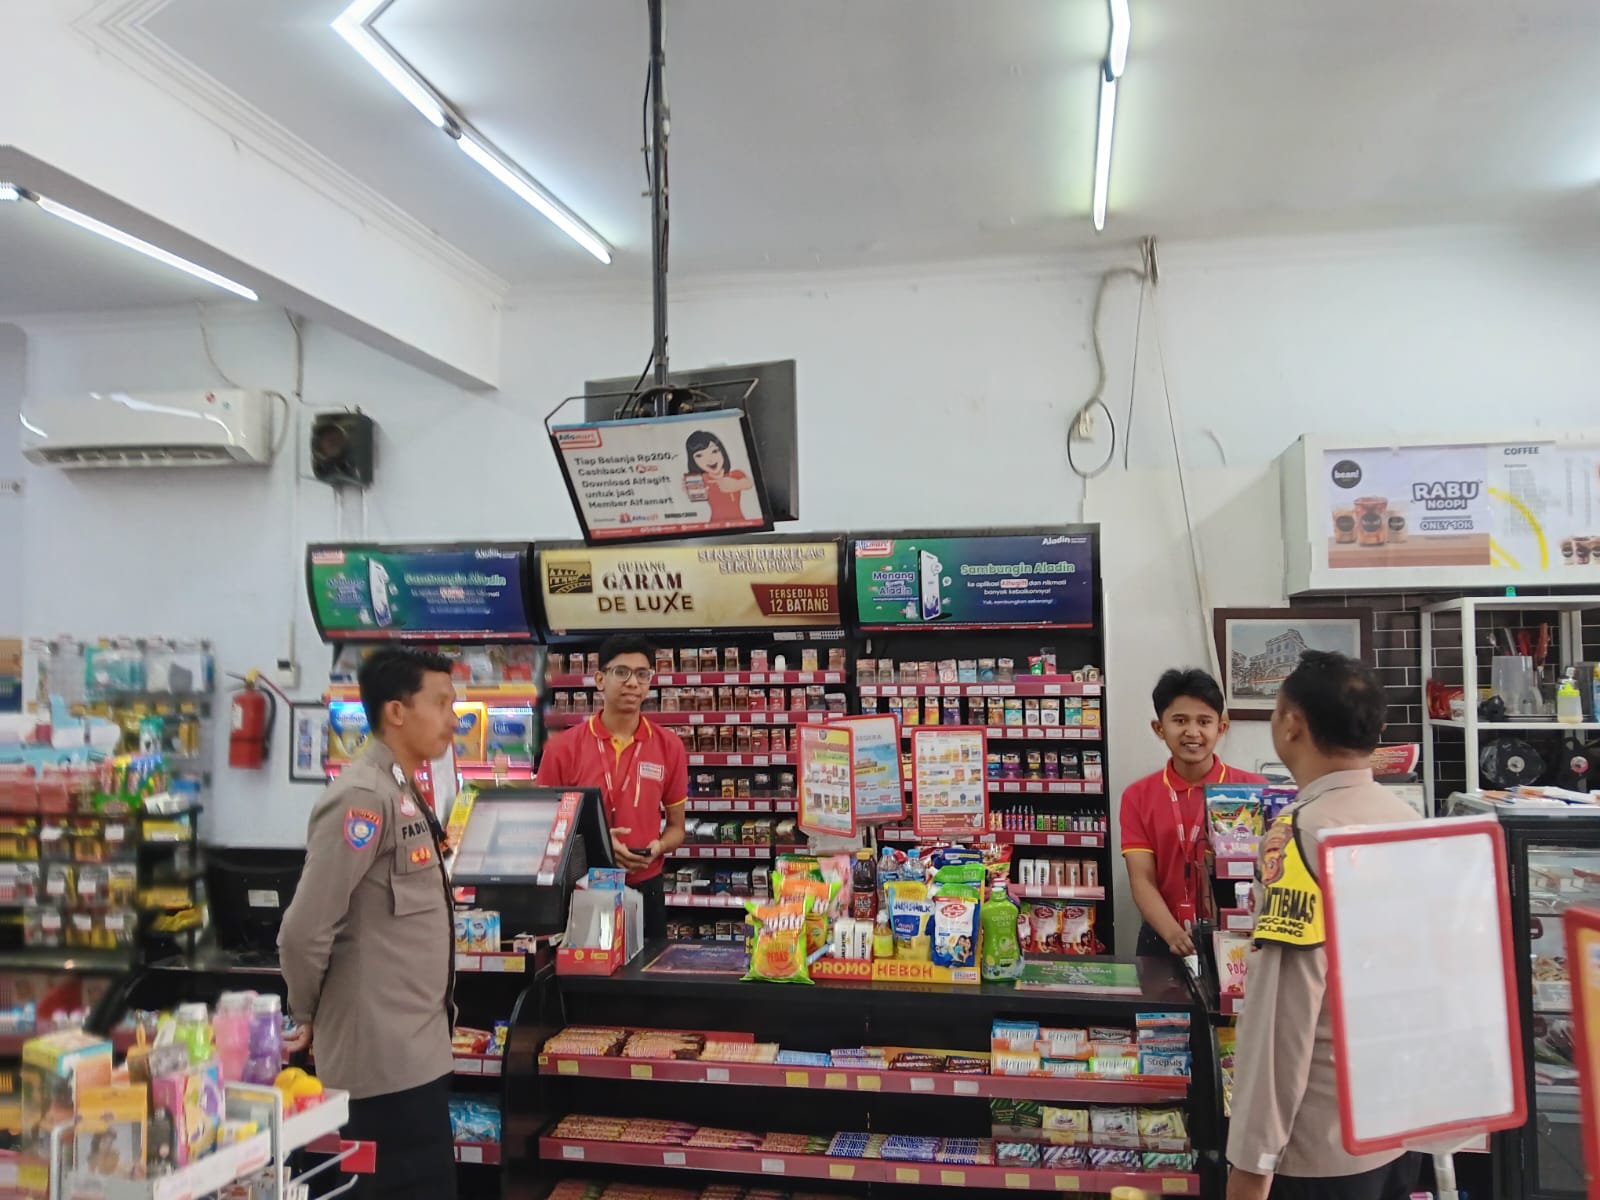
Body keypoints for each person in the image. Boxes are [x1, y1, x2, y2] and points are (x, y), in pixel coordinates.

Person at [1227, 651, 1422, 1200]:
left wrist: (1253, 1161)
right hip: (1397, 1126)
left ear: (1292, 723)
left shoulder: (1301, 838)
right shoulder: (1408, 821)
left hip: (1319, 1146)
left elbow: (1282, 1015)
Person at [279, 647, 457, 1200]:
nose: (455, 719)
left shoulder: (402, 788)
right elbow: (304, 930)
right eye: (442, 703)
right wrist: (305, 1013)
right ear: (397, 711)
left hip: (417, 1053)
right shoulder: (362, 796)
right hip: (379, 1069)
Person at [537, 634, 688, 939]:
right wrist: (601, 845)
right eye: (622, 672)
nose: (632, 683)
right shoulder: (563, 748)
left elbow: (676, 828)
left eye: (642, 674)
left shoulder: (669, 746)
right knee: (584, 971)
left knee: (648, 970)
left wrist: (658, 847)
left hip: (646, 887)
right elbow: (542, 825)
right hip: (581, 888)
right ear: (600, 680)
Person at [1121, 668, 1265, 956]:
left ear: (1221, 728)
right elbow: (1142, 878)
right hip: (1163, 936)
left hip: (1240, 935)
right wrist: (1173, 934)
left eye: (1204, 721)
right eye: (1180, 720)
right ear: (1159, 728)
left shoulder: (1254, 790)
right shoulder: (1137, 796)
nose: (1192, 732)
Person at [685, 429, 754, 525]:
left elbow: (750, 483)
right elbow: (692, 498)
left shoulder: (735, 474)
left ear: (722, 451)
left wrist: (736, 484)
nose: (710, 459)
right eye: (699, 455)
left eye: (714, 451)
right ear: (693, 461)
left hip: (740, 523)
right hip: (715, 525)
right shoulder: (700, 480)